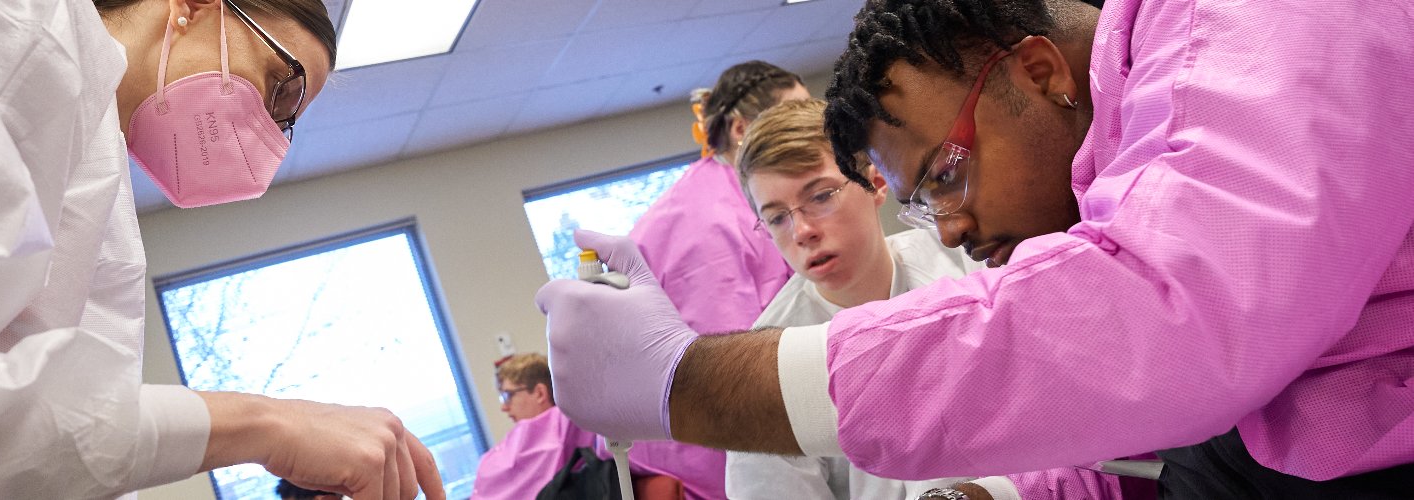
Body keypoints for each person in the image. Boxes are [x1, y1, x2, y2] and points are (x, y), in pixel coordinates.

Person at [535, 0, 1414, 498]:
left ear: (1039, 75)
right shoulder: (1126, 149)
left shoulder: (1254, 21)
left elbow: (1164, 320)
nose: (948, 229)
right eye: (920, 204)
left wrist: (689, 383)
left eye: (946, 177)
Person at [0, 1, 443, 498]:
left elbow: (58, 442)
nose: (271, 133)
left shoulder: (98, 158)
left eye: (286, 120)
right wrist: (270, 427)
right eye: (281, 88)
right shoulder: (13, 27)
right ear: (191, 6)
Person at [725, 98, 981, 499]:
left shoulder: (966, 261)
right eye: (777, 217)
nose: (802, 230)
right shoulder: (766, 367)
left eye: (821, 196)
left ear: (876, 184)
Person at [610, 60, 810, 500]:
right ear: (741, 129)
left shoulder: (738, 196)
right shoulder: (708, 219)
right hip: (705, 447)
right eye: (791, 115)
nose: (808, 128)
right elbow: (729, 366)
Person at [471, 354, 597, 500]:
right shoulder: (516, 442)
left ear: (539, 393)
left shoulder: (568, 424)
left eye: (507, 395)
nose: (504, 407)